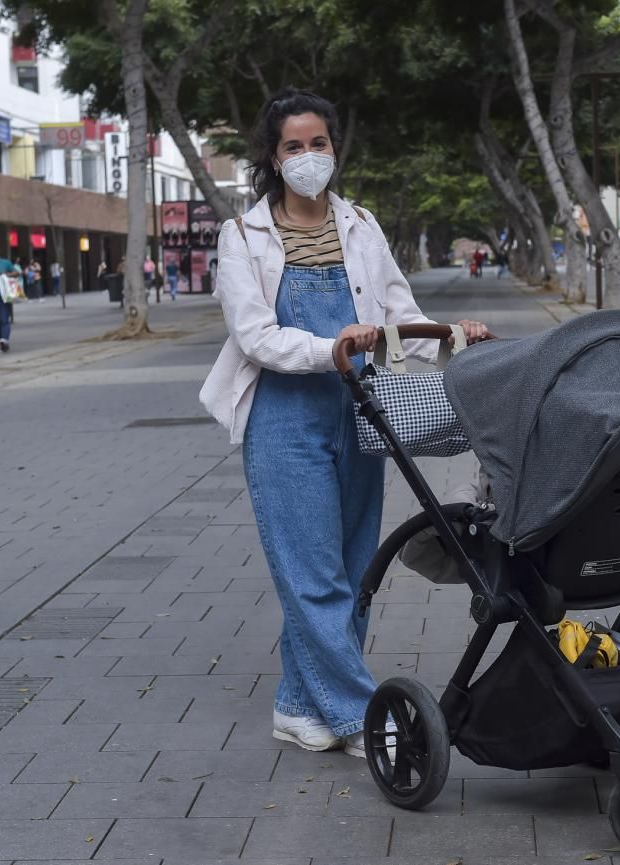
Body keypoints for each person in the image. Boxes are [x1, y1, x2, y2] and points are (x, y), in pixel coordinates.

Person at [198, 89, 488, 758]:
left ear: (335, 148)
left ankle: (300, 706)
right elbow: (253, 335)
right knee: (312, 573)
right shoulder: (242, 236)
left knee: (355, 570)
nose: (308, 157)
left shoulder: (362, 224)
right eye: (293, 146)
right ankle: (361, 714)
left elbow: (396, 313)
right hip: (284, 414)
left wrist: (453, 337)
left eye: (318, 143)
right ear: (273, 158)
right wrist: (329, 349)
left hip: (364, 409)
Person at [0, 244, 22, 353]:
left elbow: (17, 273)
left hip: (4, 296)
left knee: (4, 319)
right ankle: (2, 340)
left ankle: (4, 339)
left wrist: (7, 274)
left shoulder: (5, 263)